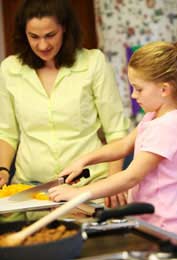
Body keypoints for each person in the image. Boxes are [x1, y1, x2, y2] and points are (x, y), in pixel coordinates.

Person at [49, 40, 177, 237]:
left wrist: (78, 194)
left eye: (139, 89)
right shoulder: (153, 117)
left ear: (164, 89)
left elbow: (132, 176)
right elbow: (124, 145)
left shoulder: (170, 126)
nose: (134, 95)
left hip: (170, 229)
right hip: (150, 225)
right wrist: (84, 160)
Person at [0, 0, 130, 208]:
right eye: (34, 37)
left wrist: (113, 183)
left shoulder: (93, 63)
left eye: (50, 35)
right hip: (30, 191)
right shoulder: (9, 70)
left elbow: (116, 132)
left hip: (89, 187)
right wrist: (3, 169)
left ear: (65, 29)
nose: (42, 45)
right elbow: (7, 134)